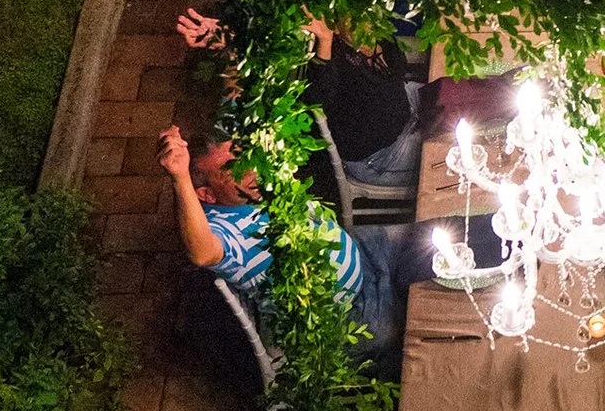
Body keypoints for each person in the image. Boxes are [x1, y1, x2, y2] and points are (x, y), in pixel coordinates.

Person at [158, 124, 495, 360]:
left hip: (366, 252)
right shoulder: (224, 231)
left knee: (454, 233)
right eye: (231, 169)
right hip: (352, 314)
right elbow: (202, 253)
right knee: (450, 306)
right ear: (204, 193)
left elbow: (240, 98)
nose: (250, 170)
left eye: (242, 154)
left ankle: (523, 240)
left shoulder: (256, 181)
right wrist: (179, 177)